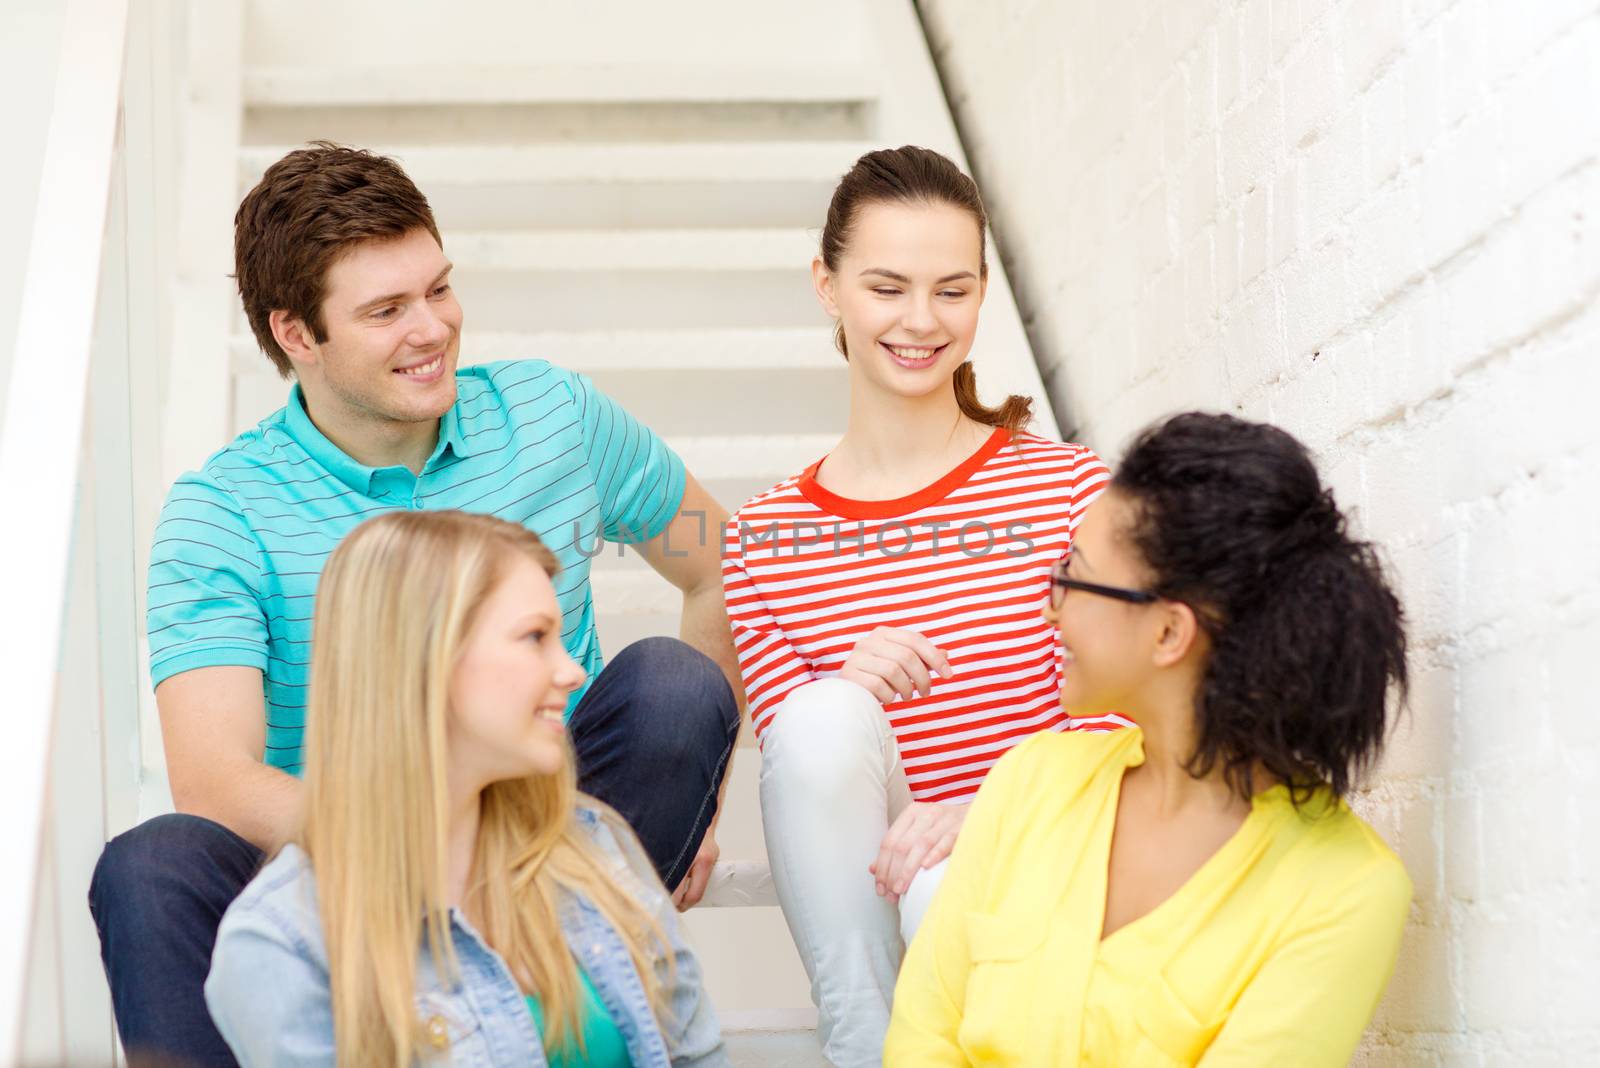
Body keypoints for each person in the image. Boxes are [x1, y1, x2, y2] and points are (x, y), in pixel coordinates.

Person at [90, 143, 741, 1067]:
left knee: (675, 687)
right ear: (296, 334)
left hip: (545, 839)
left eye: (438, 289)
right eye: (387, 310)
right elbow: (215, 779)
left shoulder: (551, 415)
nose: (431, 328)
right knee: (154, 862)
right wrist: (420, 838)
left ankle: (560, 987)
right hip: (333, 877)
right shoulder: (223, 511)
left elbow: (718, 563)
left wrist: (703, 794)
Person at [721, 145, 1114, 1066]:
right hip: (880, 904)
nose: (921, 321)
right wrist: (849, 693)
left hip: (1031, 879)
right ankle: (868, 1046)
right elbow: (803, 782)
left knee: (947, 887)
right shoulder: (761, 538)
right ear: (828, 287)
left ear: (983, 292)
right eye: (887, 287)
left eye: (953, 289)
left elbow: (1125, 724)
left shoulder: (1066, 490)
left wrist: (988, 811)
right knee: (820, 719)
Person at [886, 412, 1413, 1066]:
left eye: (1073, 578)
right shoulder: (1032, 777)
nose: (1050, 606)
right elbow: (921, 1038)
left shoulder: (1344, 891)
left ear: (1168, 633)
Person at [204, 510, 726, 1067]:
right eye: (534, 637)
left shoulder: (596, 848)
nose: (572, 672)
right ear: (424, 657)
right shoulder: (284, 942)